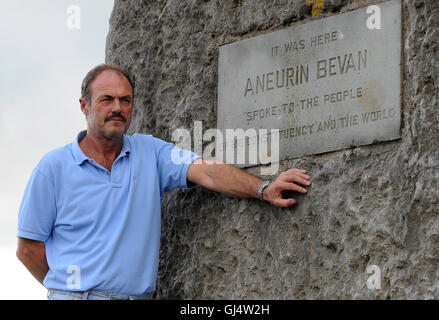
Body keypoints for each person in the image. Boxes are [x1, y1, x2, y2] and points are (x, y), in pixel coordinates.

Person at [16, 64, 311, 300]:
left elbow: (207, 171)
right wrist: (68, 290)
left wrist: (263, 188)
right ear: (84, 106)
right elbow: (28, 248)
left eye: (125, 100)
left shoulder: (151, 153)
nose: (117, 107)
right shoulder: (53, 168)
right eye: (106, 99)